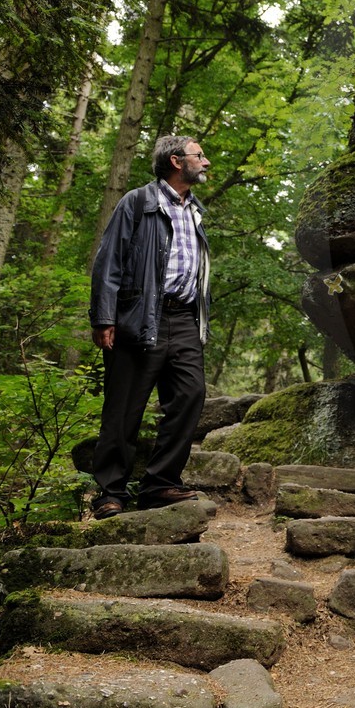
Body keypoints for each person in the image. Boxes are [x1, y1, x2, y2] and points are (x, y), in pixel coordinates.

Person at [87, 135, 212, 519]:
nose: (206, 162)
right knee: (125, 407)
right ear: (176, 161)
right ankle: (111, 492)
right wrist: (104, 317)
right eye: (199, 155)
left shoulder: (195, 210)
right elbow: (108, 260)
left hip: (184, 317)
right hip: (139, 315)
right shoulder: (138, 202)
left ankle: (160, 484)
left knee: (191, 394)